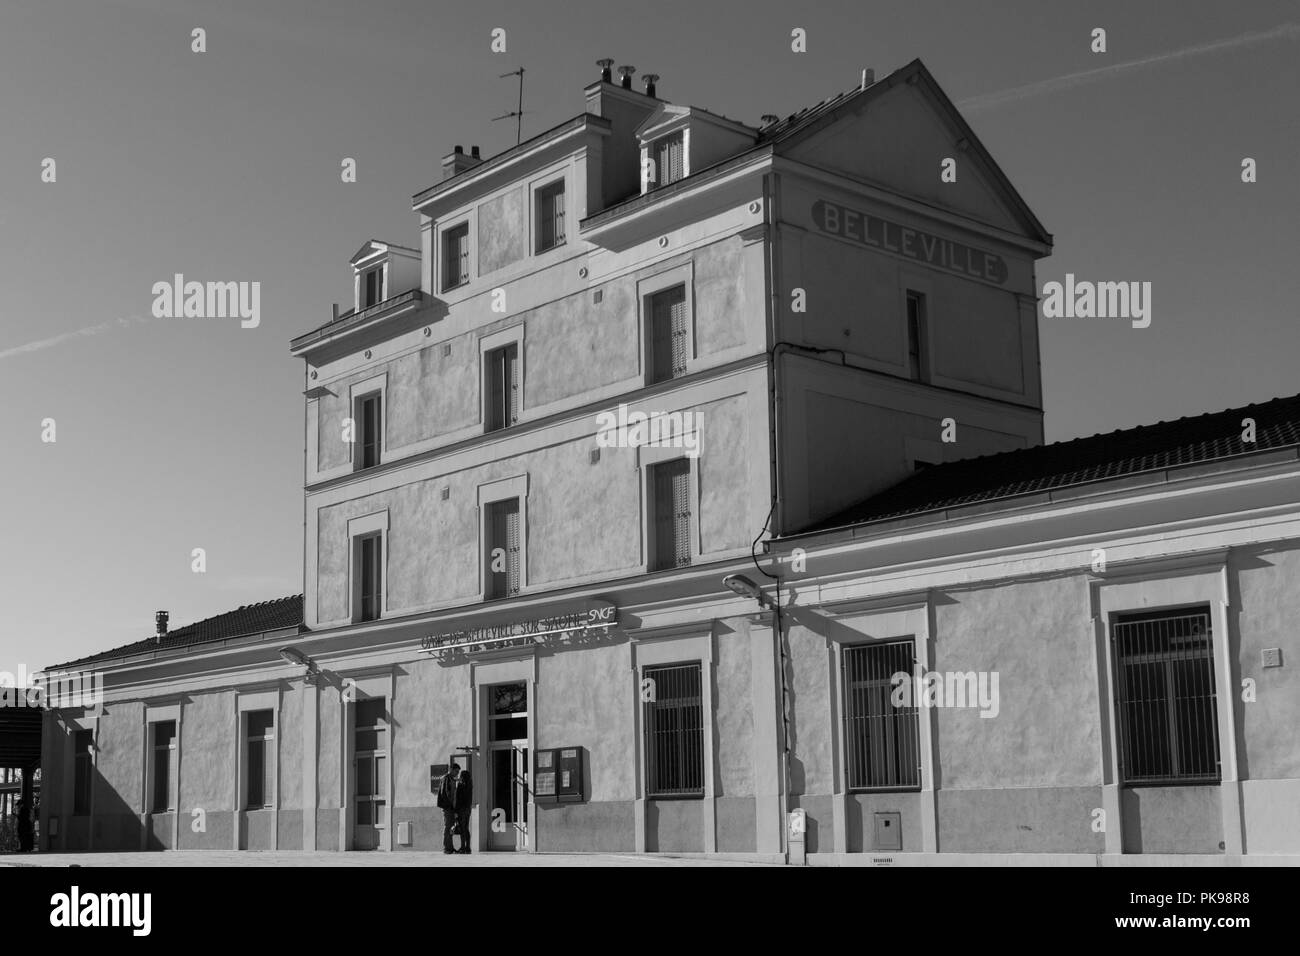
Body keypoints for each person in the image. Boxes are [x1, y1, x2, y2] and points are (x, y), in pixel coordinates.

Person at [437, 763, 460, 855]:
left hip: (451, 807)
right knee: (447, 827)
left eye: (458, 772)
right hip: (448, 807)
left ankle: (450, 847)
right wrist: (449, 806)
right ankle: (447, 848)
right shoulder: (446, 778)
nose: (457, 774)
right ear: (451, 769)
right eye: (456, 771)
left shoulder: (451, 779)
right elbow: (445, 793)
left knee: (450, 828)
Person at [454, 769, 473, 854]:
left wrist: (456, 811)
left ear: (462, 776)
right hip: (468, 809)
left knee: (462, 828)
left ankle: (462, 847)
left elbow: (458, 799)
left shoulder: (460, 785)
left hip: (461, 809)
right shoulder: (470, 785)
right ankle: (468, 847)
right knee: (466, 828)